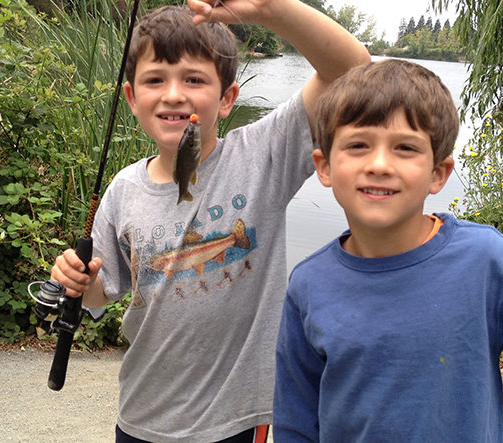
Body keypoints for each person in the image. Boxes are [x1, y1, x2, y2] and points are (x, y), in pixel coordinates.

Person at [50, 0, 370, 441]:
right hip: (142, 414)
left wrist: (269, 9)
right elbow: (101, 295)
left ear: (227, 99)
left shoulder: (263, 155)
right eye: (155, 80)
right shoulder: (123, 190)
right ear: (131, 98)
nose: (175, 93)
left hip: (235, 419)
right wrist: (81, 285)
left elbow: (352, 69)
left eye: (195, 79)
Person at [273, 58, 503, 441]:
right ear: (324, 167)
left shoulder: (485, 258)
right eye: (358, 145)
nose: (379, 164)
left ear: (438, 174)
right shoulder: (309, 284)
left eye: (405, 148)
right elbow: (295, 417)